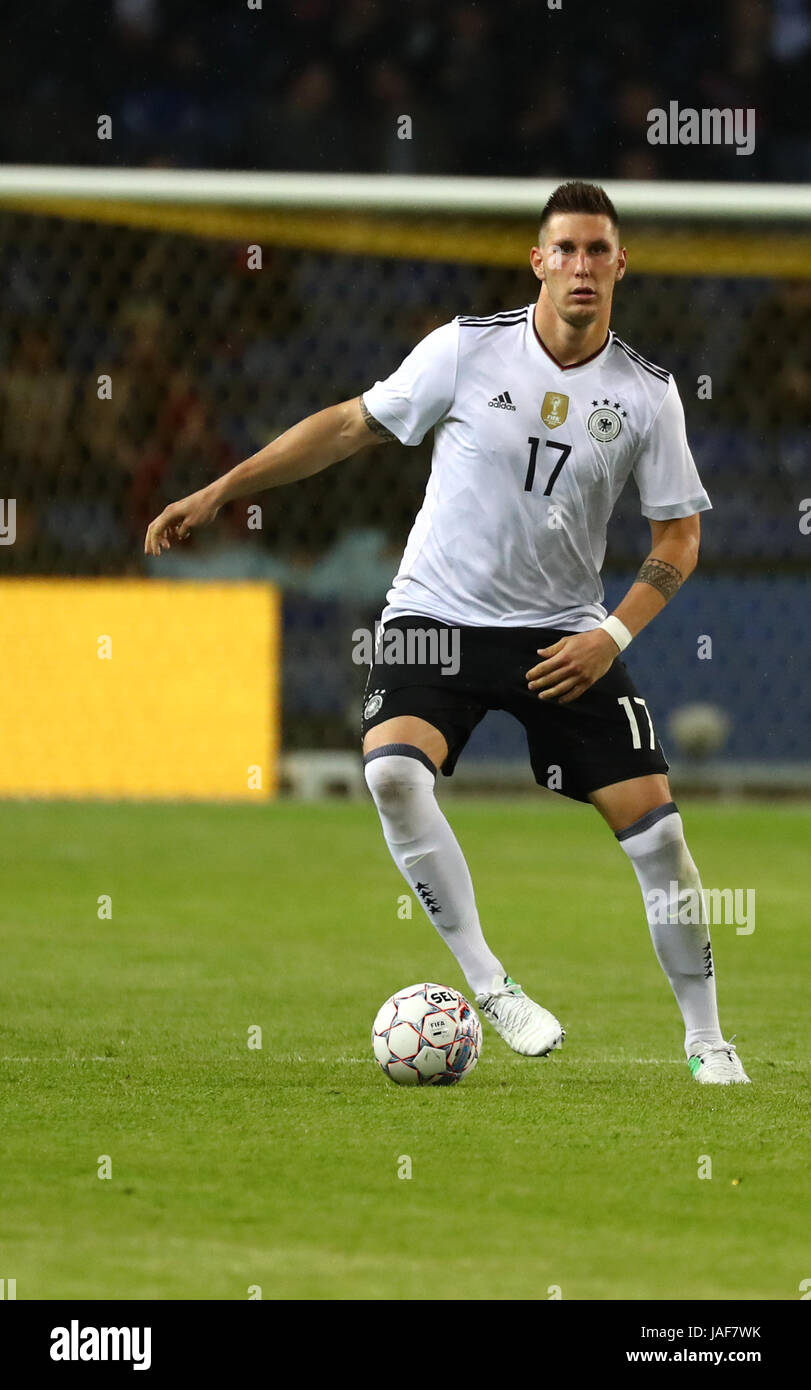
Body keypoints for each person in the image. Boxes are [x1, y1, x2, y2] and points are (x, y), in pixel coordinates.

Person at [145, 181, 749, 1085]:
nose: (580, 266)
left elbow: (679, 538)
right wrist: (222, 490)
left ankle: (707, 1042)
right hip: (438, 615)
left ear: (620, 264)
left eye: (597, 251)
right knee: (390, 771)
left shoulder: (648, 396)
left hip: (561, 634)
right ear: (536, 261)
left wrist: (611, 639)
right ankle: (489, 984)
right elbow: (351, 426)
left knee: (658, 838)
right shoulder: (465, 352)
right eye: (565, 249)